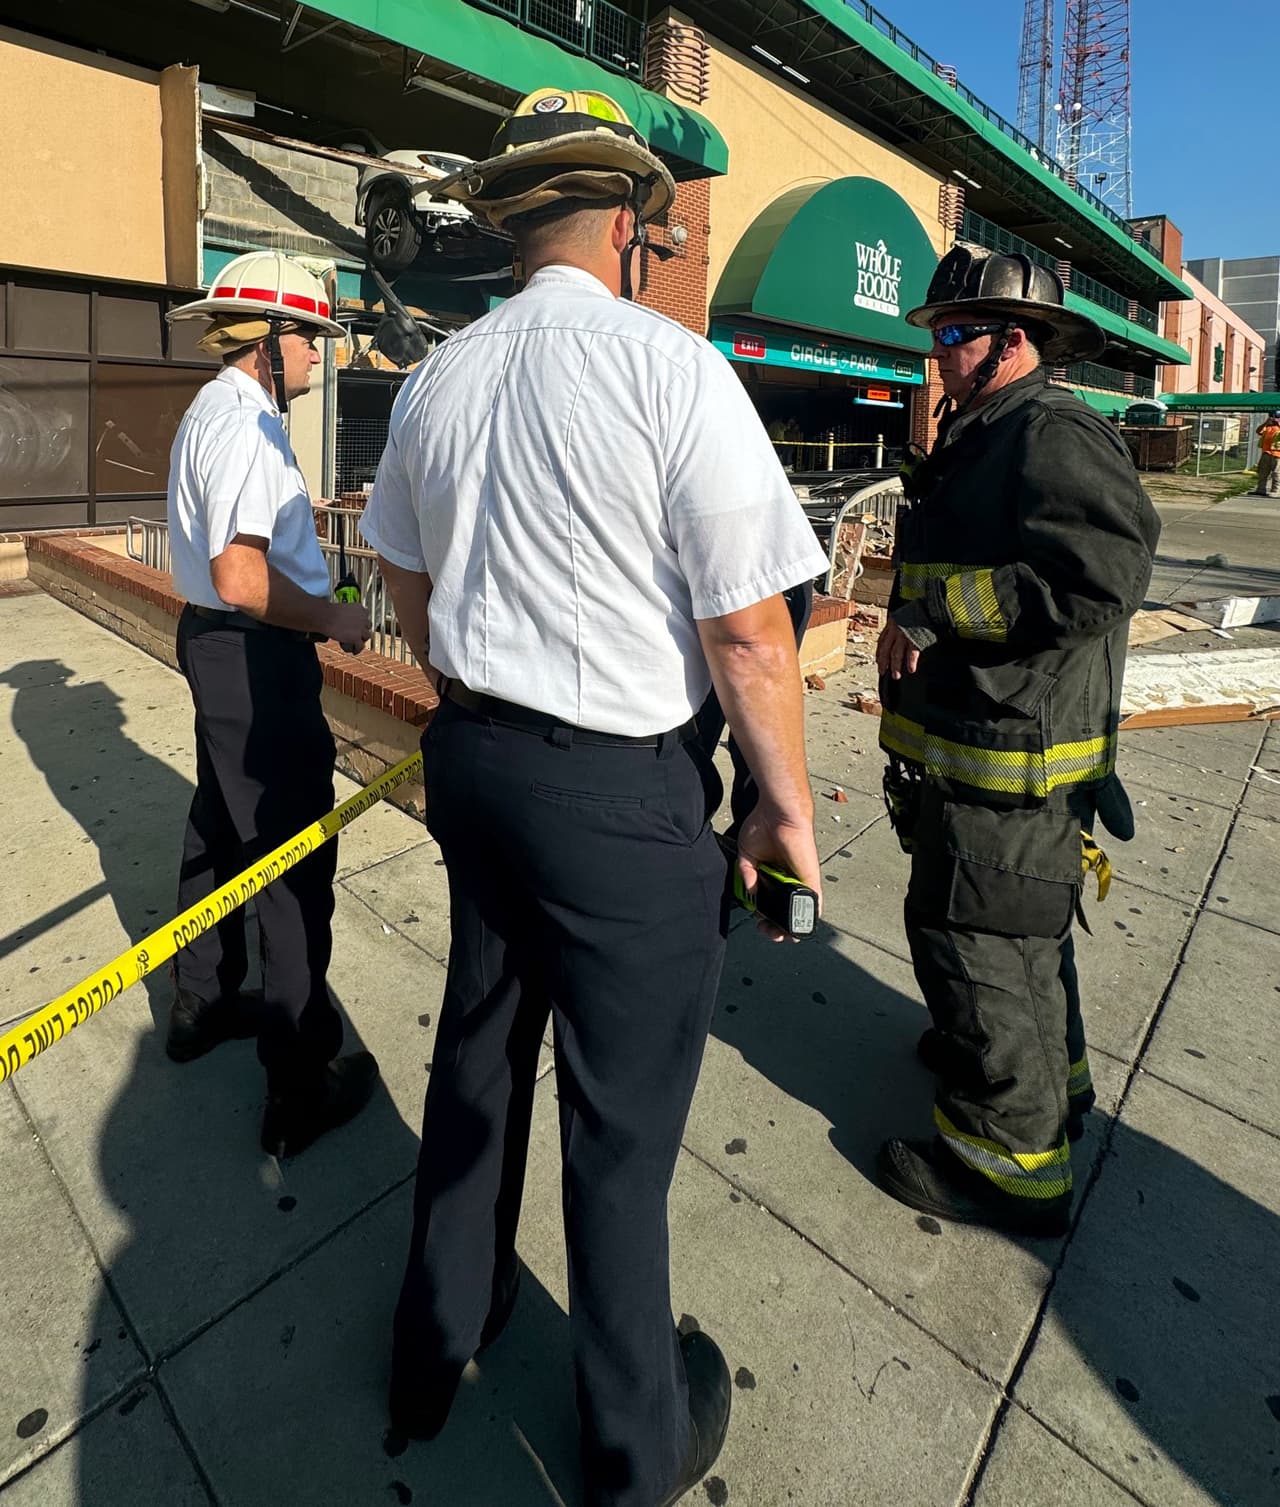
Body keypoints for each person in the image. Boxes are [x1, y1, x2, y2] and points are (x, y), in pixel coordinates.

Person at [359, 87, 827, 1507]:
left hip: (477, 760)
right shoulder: (672, 370)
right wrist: (783, 809)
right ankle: (635, 1448)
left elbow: (401, 582)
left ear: (511, 222)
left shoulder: (440, 376)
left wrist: (477, 670)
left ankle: (437, 1341)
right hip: (621, 797)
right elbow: (751, 634)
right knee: (617, 1136)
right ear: (628, 224)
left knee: (480, 1053)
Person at [874, 246, 1159, 1236]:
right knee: (1017, 936)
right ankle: (1051, 1083)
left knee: (978, 941)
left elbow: (1096, 576)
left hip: (1011, 754)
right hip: (974, 744)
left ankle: (1005, 1162)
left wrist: (930, 613)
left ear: (1015, 340)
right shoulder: (984, 428)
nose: (938, 354)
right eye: (936, 334)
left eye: (957, 335)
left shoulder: (1051, 429)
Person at [165, 251, 379, 1158]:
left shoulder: (210, 409)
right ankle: (297, 1088)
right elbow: (242, 577)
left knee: (218, 827)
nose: (320, 357)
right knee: (294, 873)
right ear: (271, 339)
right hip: (256, 659)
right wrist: (331, 613)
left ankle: (201, 1005)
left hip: (215, 650)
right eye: (314, 340)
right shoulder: (249, 428)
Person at [1254, 410, 1280, 496]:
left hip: (1277, 454)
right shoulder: (1267, 427)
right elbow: (1258, 431)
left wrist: (1278, 423)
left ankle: (1276, 490)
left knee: (1276, 473)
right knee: (1263, 472)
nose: (1274, 419)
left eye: (1276, 417)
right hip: (1266, 453)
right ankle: (1261, 489)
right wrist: (1266, 423)